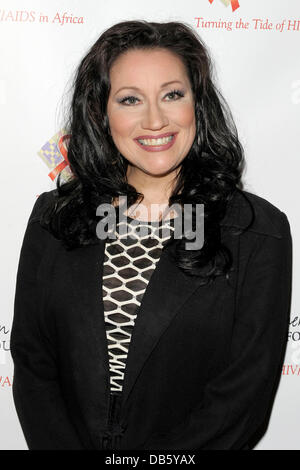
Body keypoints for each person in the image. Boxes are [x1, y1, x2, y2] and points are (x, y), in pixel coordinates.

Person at [11, 20, 293, 451]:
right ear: (102, 113)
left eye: (172, 94)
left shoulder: (258, 232)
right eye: (129, 99)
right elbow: (34, 365)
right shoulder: (55, 217)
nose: (155, 119)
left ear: (198, 104)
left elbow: (242, 402)